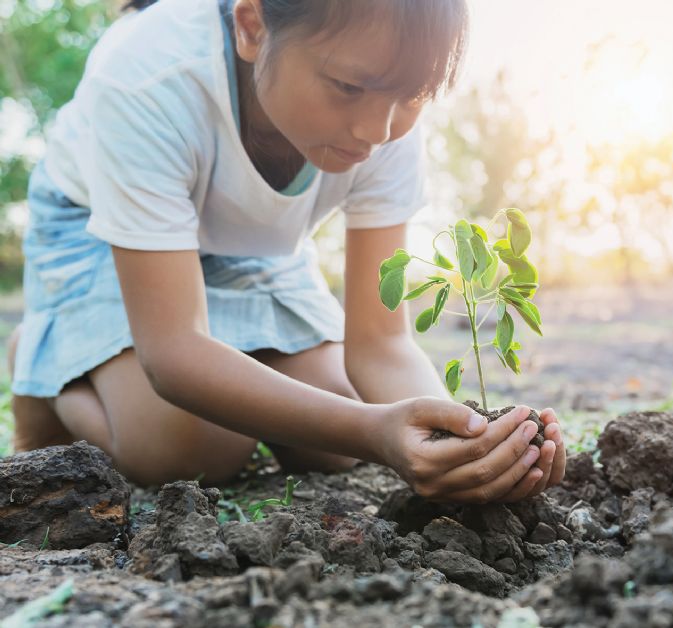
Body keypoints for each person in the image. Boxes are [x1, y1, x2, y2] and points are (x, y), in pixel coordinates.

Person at [8, 0, 566, 503]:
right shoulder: (149, 77)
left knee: (334, 439)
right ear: (252, 27)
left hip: (251, 247)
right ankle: (50, 365)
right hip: (101, 233)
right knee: (192, 450)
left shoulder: (386, 113)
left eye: (411, 97)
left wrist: (468, 443)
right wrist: (376, 432)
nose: (375, 130)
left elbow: (381, 346)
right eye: (348, 87)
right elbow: (174, 351)